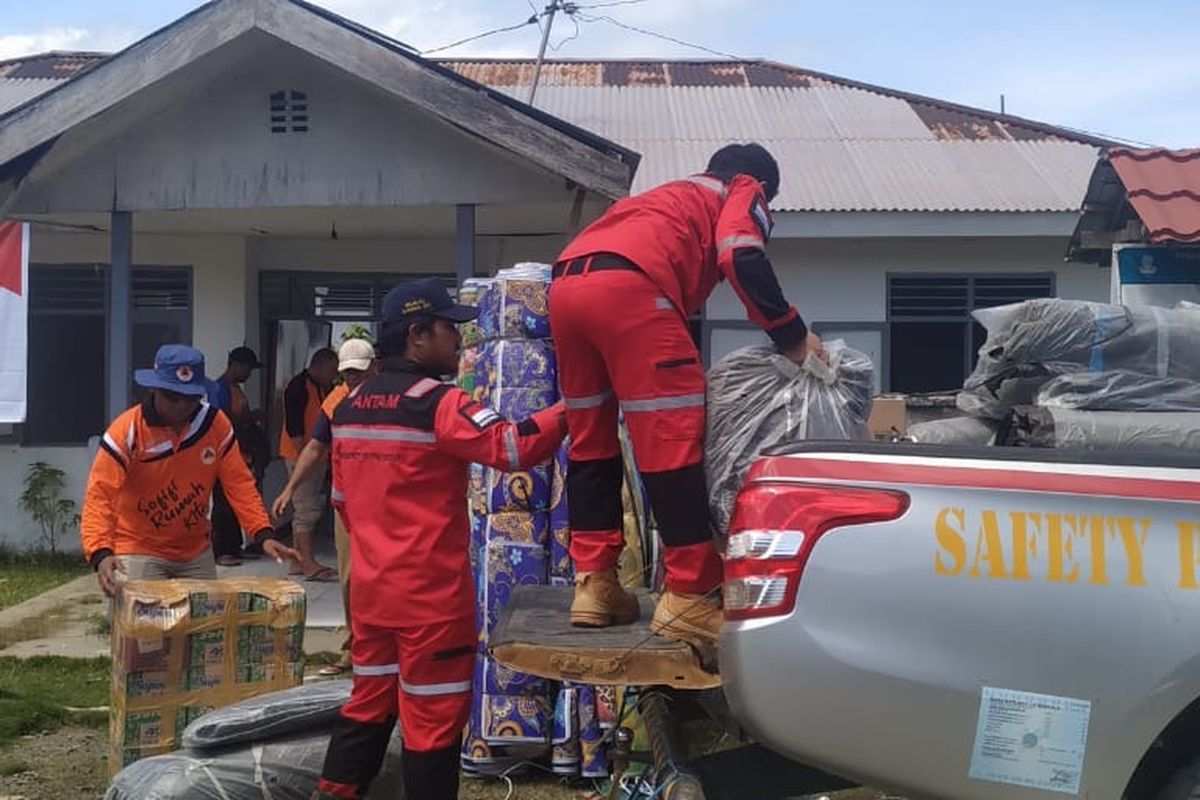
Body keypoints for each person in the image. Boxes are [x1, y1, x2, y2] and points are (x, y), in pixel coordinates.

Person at [549, 143, 824, 647]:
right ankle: (690, 594)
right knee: (670, 444)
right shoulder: (743, 189)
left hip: (566, 285)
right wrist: (791, 336)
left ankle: (594, 583)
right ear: (762, 186)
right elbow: (740, 252)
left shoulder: (668, 195)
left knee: (590, 442)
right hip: (632, 289)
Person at [311, 279, 567, 800]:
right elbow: (514, 448)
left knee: (366, 708)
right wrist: (575, 407)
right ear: (418, 335)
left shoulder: (350, 408)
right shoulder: (440, 403)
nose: (459, 339)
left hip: (372, 595)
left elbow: (343, 505)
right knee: (431, 726)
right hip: (431, 603)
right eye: (450, 328)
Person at [81, 344, 299, 595]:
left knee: (204, 630)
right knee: (143, 630)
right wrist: (101, 552)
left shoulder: (214, 425)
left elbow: (239, 484)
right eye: (173, 397)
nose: (182, 406)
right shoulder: (127, 431)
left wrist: (263, 534)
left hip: (195, 552)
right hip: (138, 549)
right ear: (154, 389)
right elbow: (100, 494)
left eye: (191, 398)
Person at [272, 337, 377, 676]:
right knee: (350, 580)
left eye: (358, 374)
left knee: (387, 579)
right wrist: (290, 487)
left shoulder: (391, 399)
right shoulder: (336, 401)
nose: (352, 381)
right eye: (347, 375)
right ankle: (353, 650)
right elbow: (315, 446)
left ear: (375, 368)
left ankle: (388, 650)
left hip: (388, 505)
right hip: (348, 507)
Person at [279, 347, 339, 581]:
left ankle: (297, 561)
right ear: (320, 366)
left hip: (313, 456)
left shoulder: (322, 387)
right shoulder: (298, 387)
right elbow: (295, 427)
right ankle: (307, 563)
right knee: (307, 510)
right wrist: (308, 459)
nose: (334, 376)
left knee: (304, 508)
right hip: (301, 456)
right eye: (332, 371)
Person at [211, 346, 267, 566]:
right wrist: (250, 418)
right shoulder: (219, 388)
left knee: (235, 501)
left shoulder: (236, 389)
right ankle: (221, 550)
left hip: (240, 453)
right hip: (223, 452)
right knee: (222, 503)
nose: (249, 374)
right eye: (248, 369)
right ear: (237, 365)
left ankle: (235, 547)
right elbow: (221, 420)